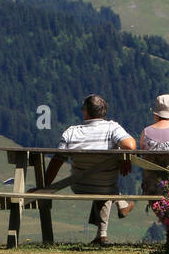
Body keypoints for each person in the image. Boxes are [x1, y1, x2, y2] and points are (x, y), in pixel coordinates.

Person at [40, 94, 137, 245]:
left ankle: (102, 235)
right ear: (104, 112)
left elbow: (57, 161)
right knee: (104, 185)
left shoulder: (71, 132)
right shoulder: (112, 128)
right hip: (107, 185)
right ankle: (122, 203)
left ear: (86, 112)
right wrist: (125, 157)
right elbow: (130, 146)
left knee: (98, 183)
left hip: (79, 186)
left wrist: (45, 186)